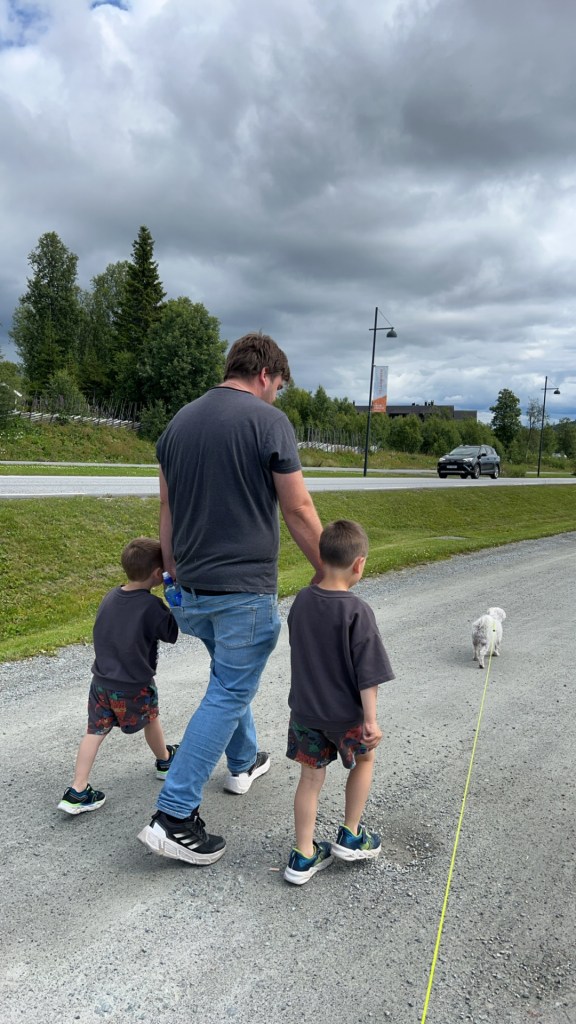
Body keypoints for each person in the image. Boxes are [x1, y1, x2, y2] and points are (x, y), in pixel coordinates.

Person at [137, 332, 323, 866]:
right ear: (265, 374)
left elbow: (167, 508)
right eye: (279, 386)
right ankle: (174, 815)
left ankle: (242, 761)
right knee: (228, 690)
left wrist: (172, 573)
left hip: (190, 590)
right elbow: (298, 508)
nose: (276, 397)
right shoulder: (268, 422)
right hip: (241, 592)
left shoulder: (177, 425)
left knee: (227, 675)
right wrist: (330, 572)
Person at [283, 519, 395, 885]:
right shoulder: (357, 611)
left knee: (310, 778)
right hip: (346, 714)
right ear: (359, 564)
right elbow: (369, 674)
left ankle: (302, 855)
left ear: (322, 555)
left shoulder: (301, 599)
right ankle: (350, 833)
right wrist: (371, 720)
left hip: (306, 711)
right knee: (364, 759)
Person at [58, 538, 179, 815]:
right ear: (156, 574)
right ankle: (164, 761)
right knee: (151, 718)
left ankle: (77, 789)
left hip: (101, 681)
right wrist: (174, 597)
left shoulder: (111, 596)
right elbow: (171, 634)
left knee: (95, 731)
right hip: (134, 684)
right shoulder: (152, 606)